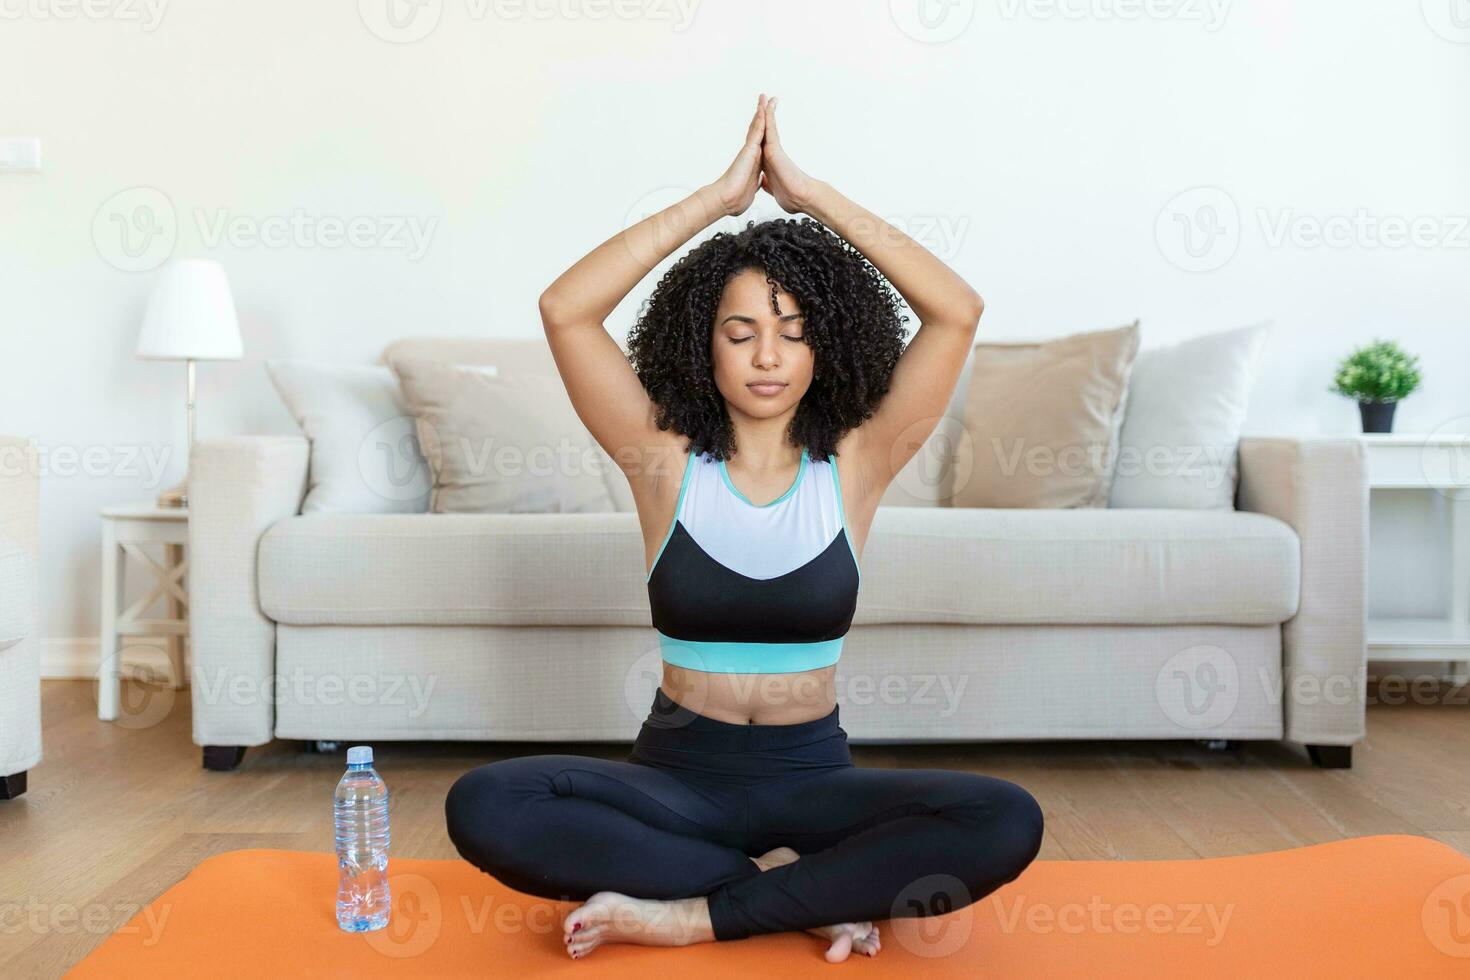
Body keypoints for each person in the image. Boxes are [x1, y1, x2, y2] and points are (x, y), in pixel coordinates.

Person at [444, 93, 1044, 963]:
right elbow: (565, 308)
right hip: (677, 778)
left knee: (1005, 819)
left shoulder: (860, 462)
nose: (768, 355)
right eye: (742, 331)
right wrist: (720, 203)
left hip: (813, 780)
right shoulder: (662, 460)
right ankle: (801, 890)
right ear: (705, 344)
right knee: (486, 804)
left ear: (824, 346)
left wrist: (812, 198)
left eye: (794, 333)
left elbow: (957, 310)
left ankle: (693, 909)